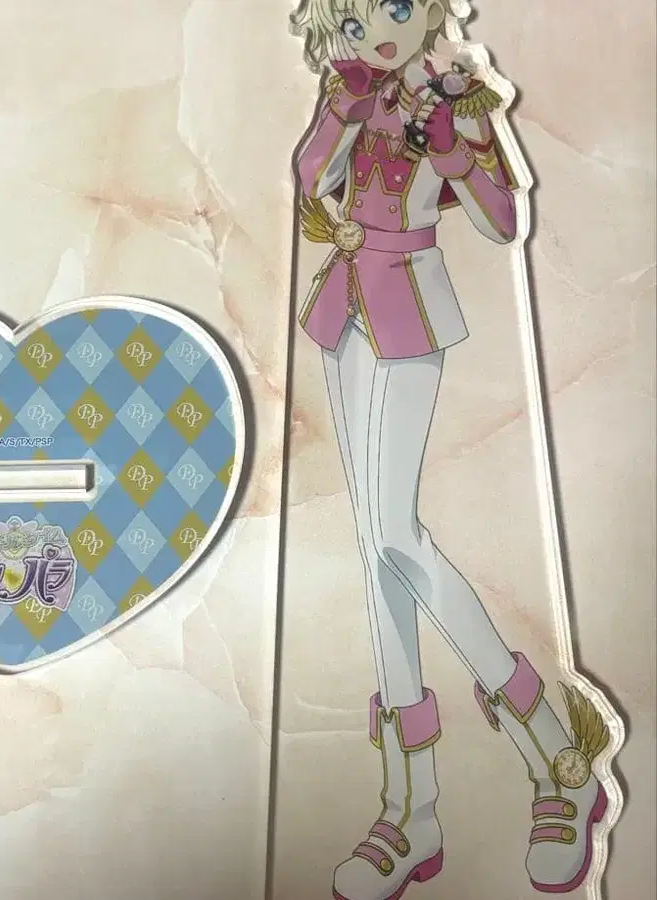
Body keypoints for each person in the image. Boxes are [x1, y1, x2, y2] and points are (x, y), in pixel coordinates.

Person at [289, 1, 610, 897]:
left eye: (395, 9)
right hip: (343, 312)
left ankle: (554, 754)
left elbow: (504, 220)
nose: (378, 33)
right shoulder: (345, 90)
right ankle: (412, 808)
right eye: (355, 21)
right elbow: (309, 179)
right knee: (373, 556)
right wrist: (344, 106)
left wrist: (457, 146)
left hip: (410, 310)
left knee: (396, 535)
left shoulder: (458, 93)